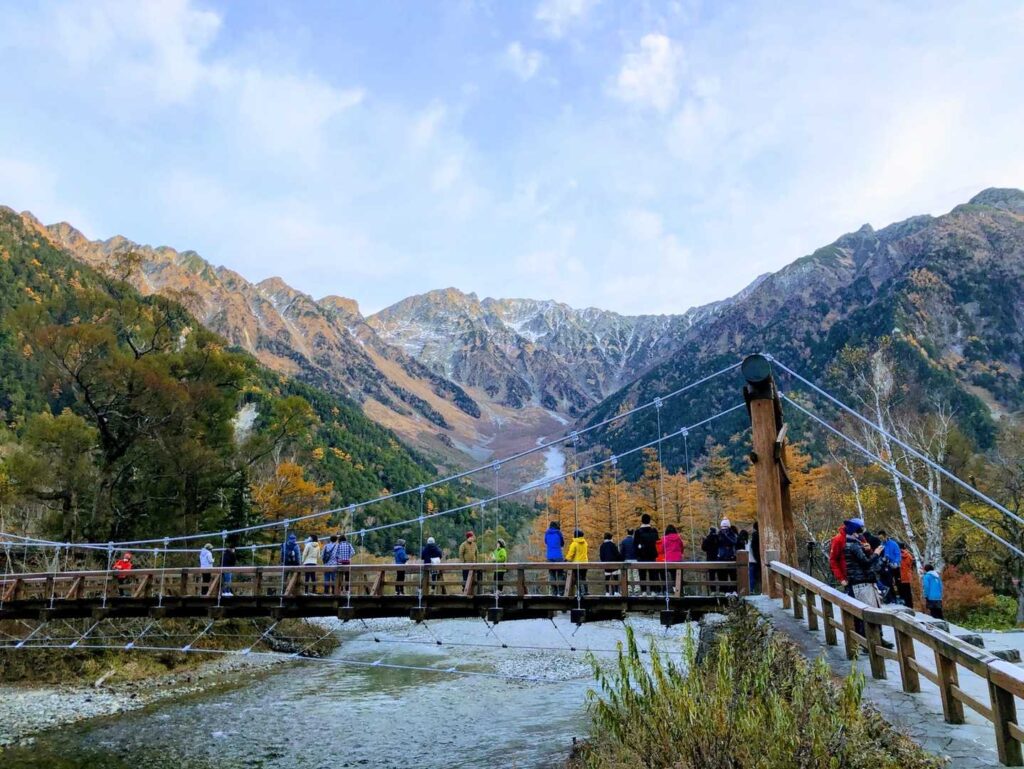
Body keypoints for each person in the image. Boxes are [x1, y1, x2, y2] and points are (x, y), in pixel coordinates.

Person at [634, 514, 659, 596]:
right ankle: (653, 591)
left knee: (642, 574)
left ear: (642, 521)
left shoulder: (638, 532)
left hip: (641, 555)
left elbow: (635, 544)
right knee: (653, 573)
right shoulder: (654, 531)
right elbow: (657, 541)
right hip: (652, 555)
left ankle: (643, 591)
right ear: (649, 521)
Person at [877, 530, 902, 603]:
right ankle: (891, 598)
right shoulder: (881, 545)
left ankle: (900, 598)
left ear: (885, 536)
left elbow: (898, 554)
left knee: (898, 583)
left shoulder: (893, 544)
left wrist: (896, 563)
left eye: (882, 538)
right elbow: (880, 555)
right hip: (886, 566)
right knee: (888, 582)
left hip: (895, 566)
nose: (881, 539)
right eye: (879, 538)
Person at [661, 524, 684, 596]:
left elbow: (662, 549)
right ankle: (680, 591)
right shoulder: (678, 537)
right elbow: (682, 547)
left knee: (668, 575)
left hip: (669, 559)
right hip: (678, 559)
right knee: (678, 575)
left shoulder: (664, 538)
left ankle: (670, 590)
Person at [716, 519, 738, 593]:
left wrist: (725, 536)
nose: (724, 529)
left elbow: (733, 542)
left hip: (730, 557)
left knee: (733, 576)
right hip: (721, 557)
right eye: (723, 527)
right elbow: (716, 544)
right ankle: (723, 591)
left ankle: (734, 590)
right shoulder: (719, 534)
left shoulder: (732, 534)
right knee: (722, 576)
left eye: (725, 527)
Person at [565, 529, 589, 597]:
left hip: (577, 563)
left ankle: (580, 592)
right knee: (584, 577)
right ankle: (586, 591)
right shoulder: (585, 543)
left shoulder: (574, 544)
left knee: (577, 578)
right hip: (585, 563)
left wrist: (566, 559)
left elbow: (571, 554)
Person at [544, 521, 565, 596]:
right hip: (558, 556)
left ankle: (554, 592)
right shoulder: (558, 532)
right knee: (560, 574)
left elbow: (546, 542)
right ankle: (561, 592)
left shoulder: (547, 533)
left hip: (549, 557)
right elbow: (562, 543)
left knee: (552, 574)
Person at [701, 526, 719, 591]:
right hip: (718, 558)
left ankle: (713, 590)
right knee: (720, 574)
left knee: (712, 575)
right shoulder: (718, 538)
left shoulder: (707, 539)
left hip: (710, 558)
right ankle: (723, 590)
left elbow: (703, 548)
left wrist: (703, 541)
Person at [619, 528, 637, 594]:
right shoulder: (635, 541)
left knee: (628, 575)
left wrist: (622, 559)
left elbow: (622, 552)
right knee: (635, 575)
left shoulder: (624, 541)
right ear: (633, 533)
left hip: (627, 560)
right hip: (635, 559)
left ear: (627, 533)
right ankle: (636, 589)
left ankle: (629, 589)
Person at [898, 542, 915, 607]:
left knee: (905, 592)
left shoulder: (901, 555)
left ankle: (908, 605)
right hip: (908, 575)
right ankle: (910, 605)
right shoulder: (909, 554)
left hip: (903, 575)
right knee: (908, 592)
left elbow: (901, 566)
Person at [749, 522, 761, 593]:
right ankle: (758, 590)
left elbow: (753, 547)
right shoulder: (759, 535)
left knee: (755, 575)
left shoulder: (754, 535)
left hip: (756, 557)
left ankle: (756, 590)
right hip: (759, 557)